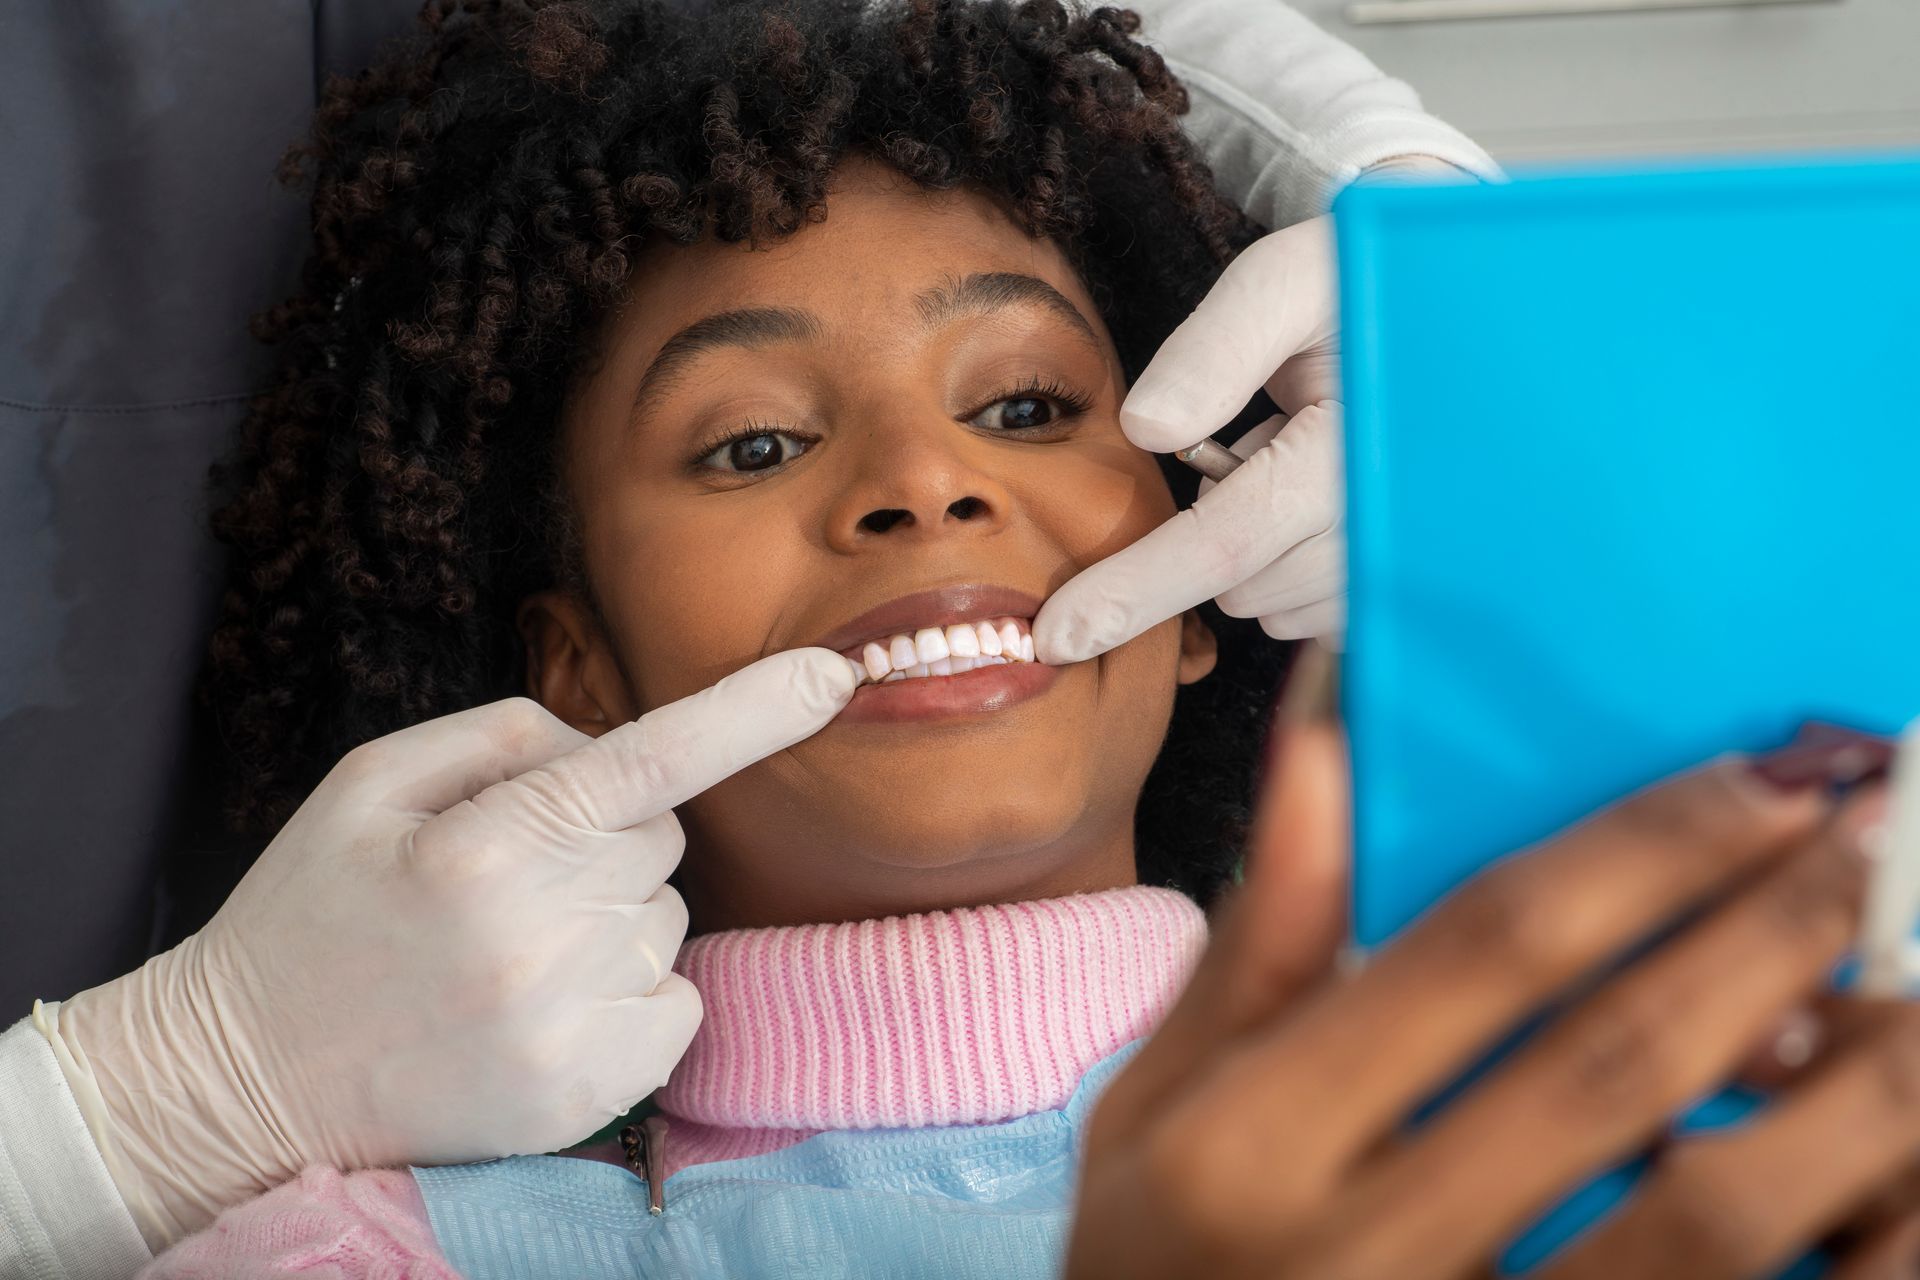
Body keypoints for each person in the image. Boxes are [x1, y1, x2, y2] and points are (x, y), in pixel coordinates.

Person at [124, 1, 1918, 1275]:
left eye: (1030, 406)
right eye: (753, 443)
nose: (927, 484)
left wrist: (1478, 318)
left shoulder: (1646, 1130)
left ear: (1211, 579)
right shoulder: (358, 1260)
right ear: (574, 669)